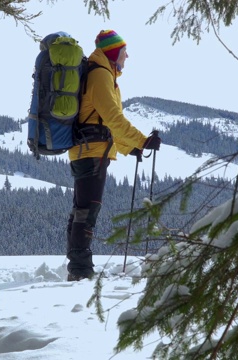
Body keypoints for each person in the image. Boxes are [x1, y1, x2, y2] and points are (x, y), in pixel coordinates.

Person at [65, 30, 162, 281]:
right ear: (112, 53)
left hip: (89, 149)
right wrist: (143, 140)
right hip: (91, 153)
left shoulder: (102, 73)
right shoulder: (100, 74)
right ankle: (80, 270)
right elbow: (113, 119)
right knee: (87, 210)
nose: (127, 56)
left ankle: (78, 267)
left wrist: (133, 148)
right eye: (123, 52)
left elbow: (103, 125)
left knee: (82, 210)